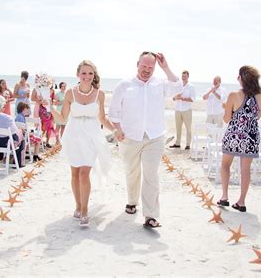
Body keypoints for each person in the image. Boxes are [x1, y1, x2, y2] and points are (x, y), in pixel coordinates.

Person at [108, 51, 182, 228]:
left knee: (151, 175)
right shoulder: (124, 85)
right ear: (137, 64)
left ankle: (150, 216)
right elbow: (114, 111)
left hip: (154, 137)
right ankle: (132, 201)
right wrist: (117, 130)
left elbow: (178, 87)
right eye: (144, 66)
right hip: (129, 137)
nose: (147, 70)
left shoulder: (159, 84)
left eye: (151, 67)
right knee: (132, 172)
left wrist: (166, 67)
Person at [50, 60, 115, 227]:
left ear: (94, 75)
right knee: (75, 173)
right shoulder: (70, 94)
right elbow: (63, 118)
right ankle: (78, 206)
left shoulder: (99, 94)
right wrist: (50, 107)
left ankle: (85, 211)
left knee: (84, 173)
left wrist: (116, 130)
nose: (87, 76)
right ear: (78, 74)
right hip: (73, 135)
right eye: (84, 73)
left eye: (90, 73)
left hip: (92, 136)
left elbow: (102, 118)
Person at [217, 66, 261, 212]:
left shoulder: (233, 95)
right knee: (245, 170)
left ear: (241, 78)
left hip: (234, 135)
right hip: (251, 136)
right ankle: (241, 202)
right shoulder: (260, 95)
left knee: (225, 165)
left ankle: (224, 197)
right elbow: (257, 116)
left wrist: (226, 107)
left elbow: (226, 119)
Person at [170, 70, 196, 150]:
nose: (183, 77)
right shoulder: (178, 86)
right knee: (178, 127)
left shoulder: (191, 86)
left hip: (187, 110)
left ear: (188, 77)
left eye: (185, 76)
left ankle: (188, 145)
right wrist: (175, 97)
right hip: (178, 109)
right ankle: (177, 143)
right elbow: (173, 98)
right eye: (182, 76)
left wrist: (182, 98)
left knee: (188, 128)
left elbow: (193, 99)